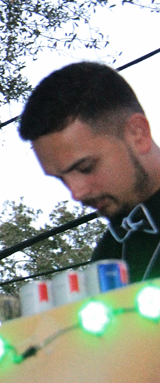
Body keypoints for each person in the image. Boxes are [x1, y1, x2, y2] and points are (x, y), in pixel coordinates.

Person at [19, 61, 160, 282]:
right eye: (61, 179)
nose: (76, 193)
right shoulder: (108, 256)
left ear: (137, 133)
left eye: (85, 167)